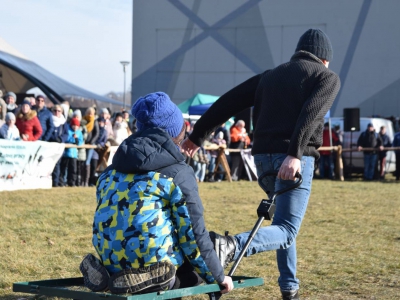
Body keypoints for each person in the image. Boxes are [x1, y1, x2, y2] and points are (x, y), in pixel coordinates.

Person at [181, 28, 340, 299]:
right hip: (291, 159)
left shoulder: (270, 75)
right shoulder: (326, 77)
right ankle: (230, 245)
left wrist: (198, 136)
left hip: (262, 159)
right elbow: (311, 114)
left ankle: (290, 288)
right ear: (325, 58)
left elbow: (228, 102)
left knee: (282, 224)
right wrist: (294, 154)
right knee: (288, 230)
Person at [81, 92, 233, 295]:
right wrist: (218, 277)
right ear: (176, 131)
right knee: (193, 271)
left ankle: (112, 273)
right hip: (155, 261)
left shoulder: (109, 172)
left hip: (111, 259)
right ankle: (155, 276)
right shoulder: (177, 174)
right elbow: (193, 237)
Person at [59, 117, 84, 187]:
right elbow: (66, 139)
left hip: (74, 154)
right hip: (66, 153)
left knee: (73, 169)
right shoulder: (68, 130)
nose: (75, 127)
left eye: (77, 126)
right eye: (74, 125)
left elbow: (80, 141)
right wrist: (73, 139)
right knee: (63, 168)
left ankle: (72, 182)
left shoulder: (79, 132)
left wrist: (76, 140)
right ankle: (61, 182)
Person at [49, 105, 69, 187]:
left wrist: (60, 139)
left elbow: (66, 134)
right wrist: (52, 138)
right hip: (49, 145)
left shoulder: (63, 123)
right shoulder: (49, 120)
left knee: (57, 165)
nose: (57, 112)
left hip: (59, 147)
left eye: (59, 111)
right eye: (55, 110)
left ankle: (56, 182)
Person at [83, 107, 99, 187]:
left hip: (90, 145)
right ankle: (82, 180)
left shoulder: (95, 122)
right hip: (83, 144)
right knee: (82, 161)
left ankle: (87, 181)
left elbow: (97, 133)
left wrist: (91, 142)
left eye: (91, 113)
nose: (89, 115)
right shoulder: (84, 121)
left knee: (87, 162)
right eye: (88, 113)